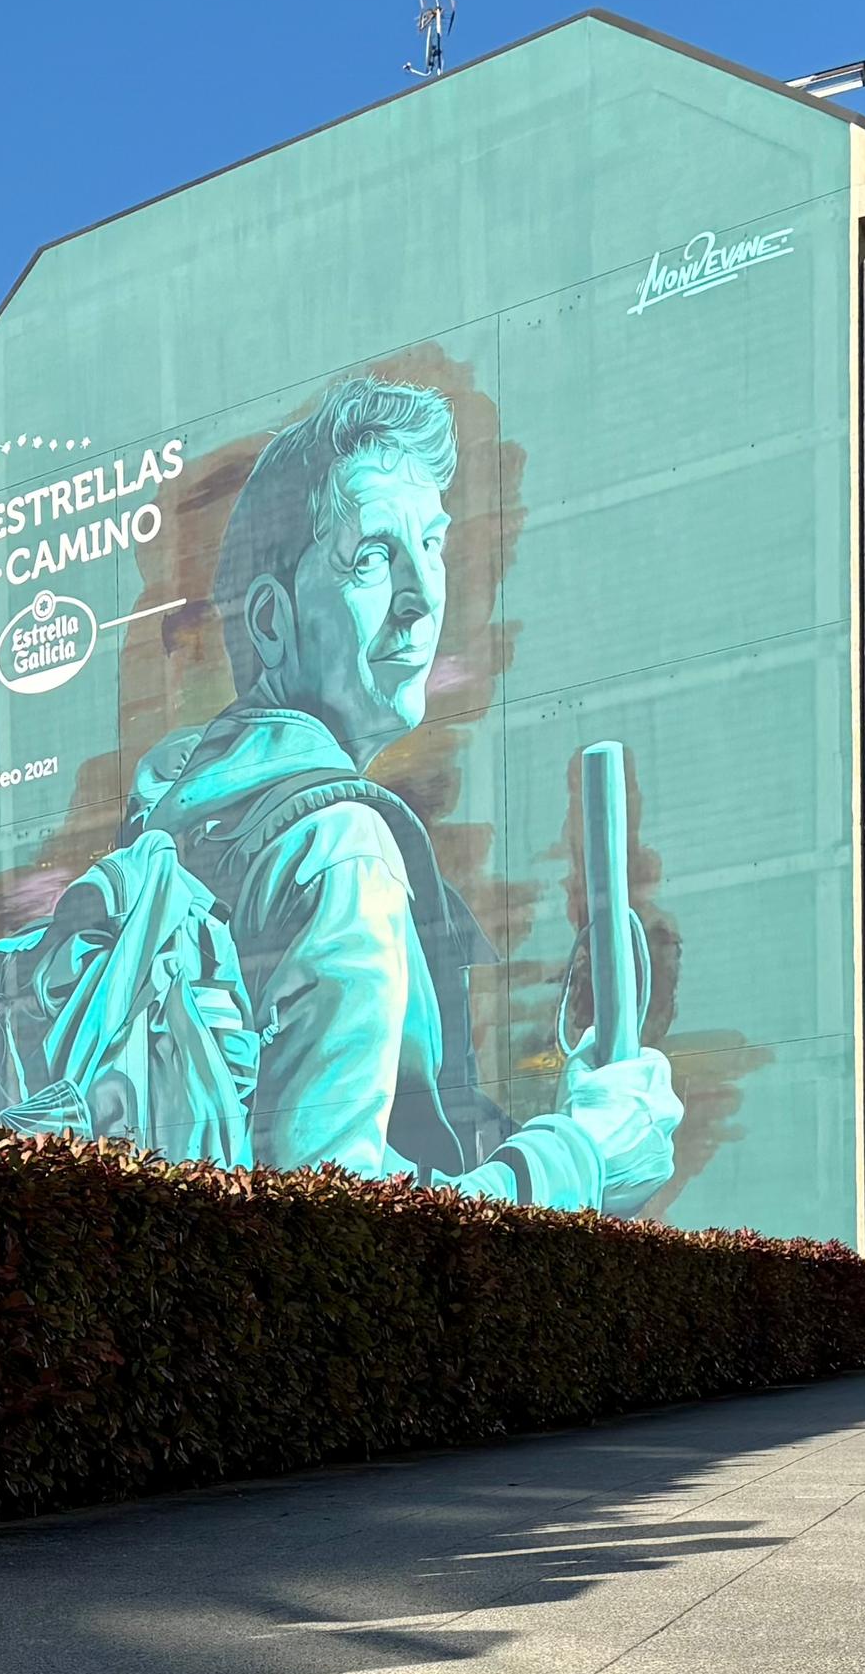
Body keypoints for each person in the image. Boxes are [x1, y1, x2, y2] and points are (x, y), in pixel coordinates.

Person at [111, 376, 683, 1210]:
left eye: (434, 545)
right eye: (373, 556)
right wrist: (587, 1158)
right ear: (271, 624)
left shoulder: (179, 821)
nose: (421, 597)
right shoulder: (339, 851)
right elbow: (347, 1231)